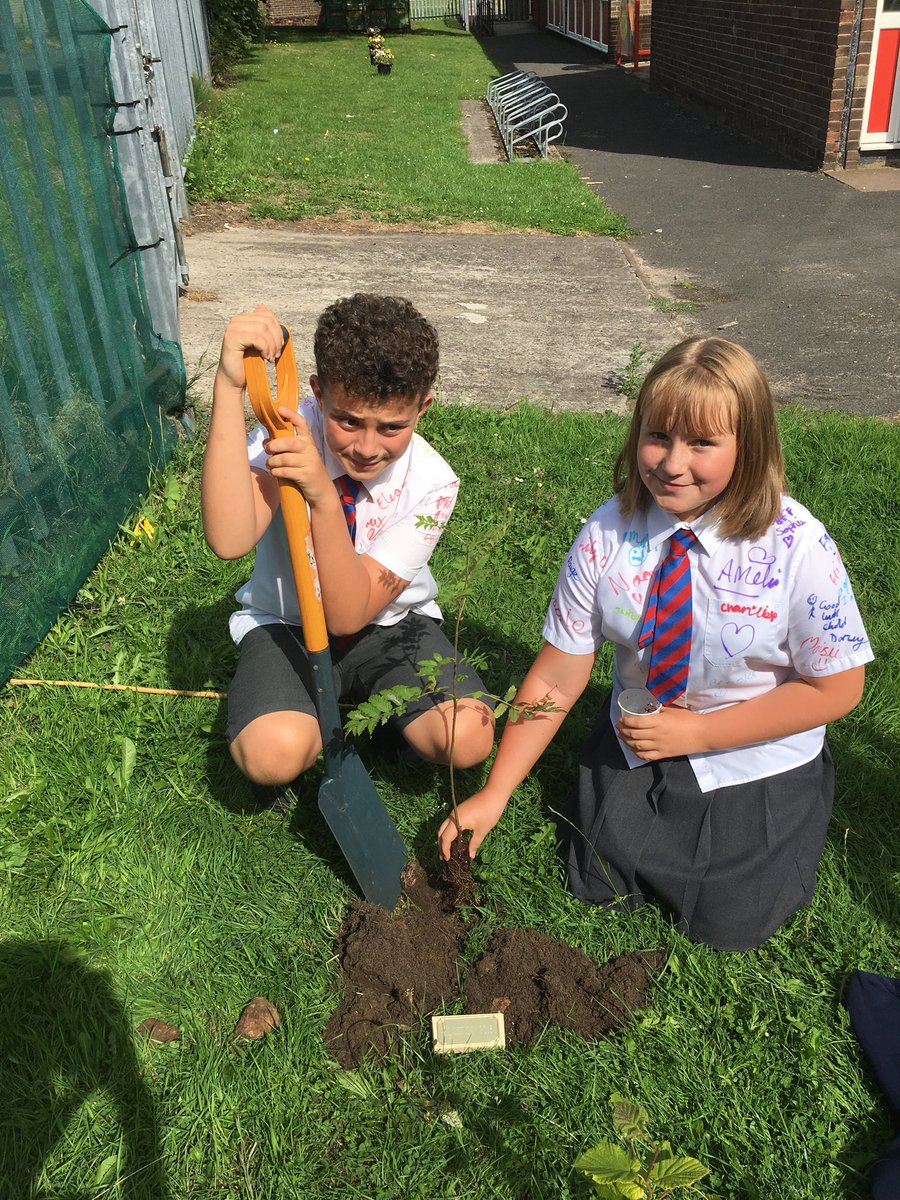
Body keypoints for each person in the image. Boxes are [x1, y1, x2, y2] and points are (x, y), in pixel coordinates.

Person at [439, 336, 872, 951]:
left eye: (702, 443)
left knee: (728, 921)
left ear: (747, 447)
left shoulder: (797, 545)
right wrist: (495, 792)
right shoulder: (606, 533)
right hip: (641, 732)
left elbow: (837, 687)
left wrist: (700, 734)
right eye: (658, 435)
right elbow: (560, 675)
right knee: (596, 876)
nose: (672, 463)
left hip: (755, 746)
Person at [202, 295, 495, 805]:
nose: (366, 447)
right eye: (348, 420)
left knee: (468, 734)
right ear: (317, 394)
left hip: (392, 627)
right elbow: (228, 540)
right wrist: (229, 387)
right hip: (287, 626)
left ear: (422, 407)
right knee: (272, 756)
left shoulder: (432, 484)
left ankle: (371, 712)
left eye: (391, 427)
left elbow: (347, 614)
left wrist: (322, 498)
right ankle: (324, 717)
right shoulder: (288, 431)